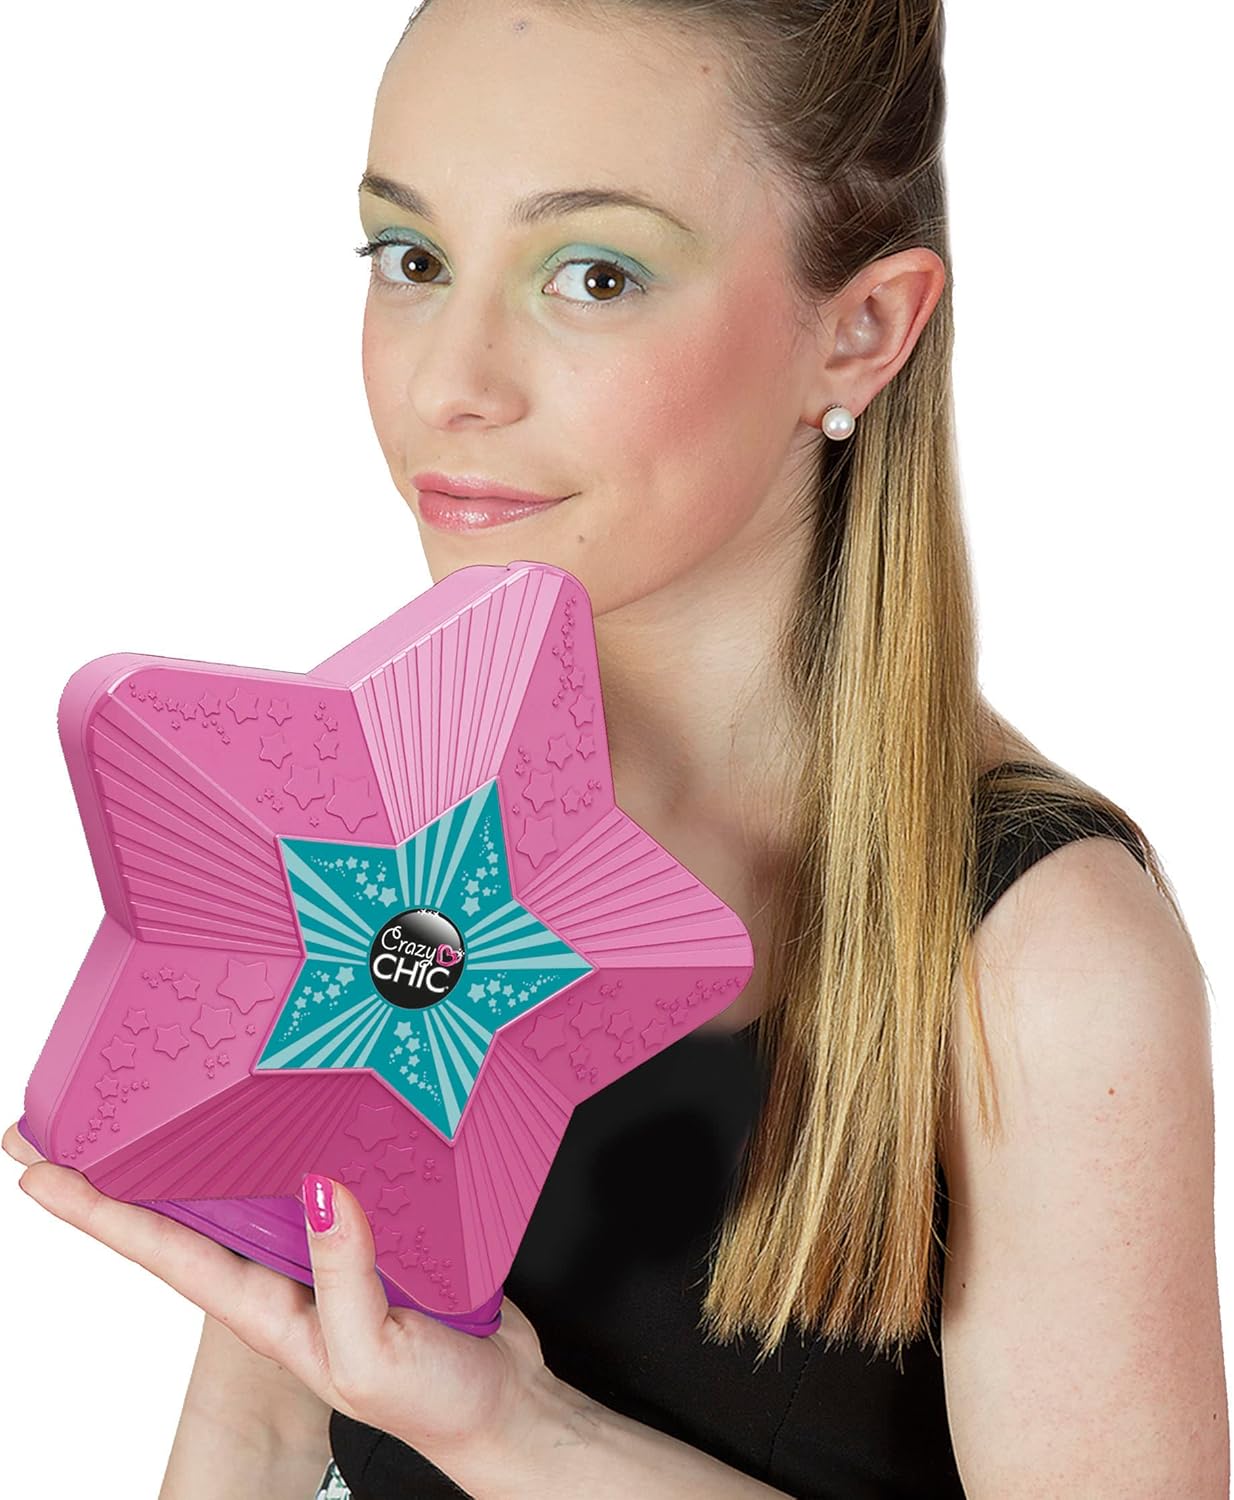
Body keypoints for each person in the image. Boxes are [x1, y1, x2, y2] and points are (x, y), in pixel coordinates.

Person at [4, 1, 1228, 1496]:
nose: (449, 384)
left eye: (594, 274)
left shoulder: (1044, 959)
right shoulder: (381, 811)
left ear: (860, 331)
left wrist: (507, 1430)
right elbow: (255, 1433)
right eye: (411, 257)